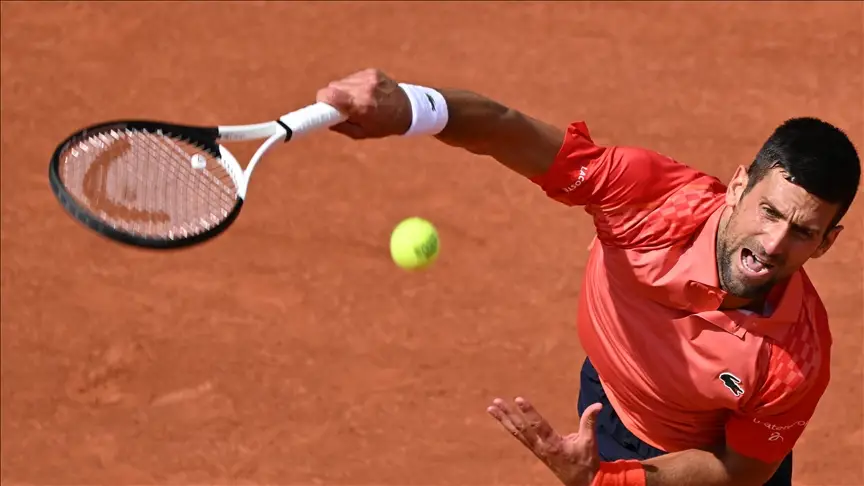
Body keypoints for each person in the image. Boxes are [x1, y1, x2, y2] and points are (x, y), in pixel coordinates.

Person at [314, 68, 861, 486]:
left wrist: (611, 479)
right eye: (769, 212)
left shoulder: (797, 358)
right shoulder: (652, 199)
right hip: (609, 404)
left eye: (803, 232)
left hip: (694, 465)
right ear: (740, 186)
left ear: (826, 242)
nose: (772, 246)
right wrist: (409, 104)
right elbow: (511, 131)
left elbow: (738, 471)